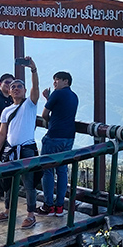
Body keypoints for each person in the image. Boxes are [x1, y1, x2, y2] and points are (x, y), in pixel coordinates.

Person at [0, 57, 40, 229]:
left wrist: (33, 70)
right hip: (10, 150)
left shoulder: (30, 104)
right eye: (13, 87)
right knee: (8, 183)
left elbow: (36, 88)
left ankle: (31, 215)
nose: (16, 89)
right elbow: (2, 133)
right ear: (9, 92)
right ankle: (8, 210)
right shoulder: (6, 110)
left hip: (27, 149)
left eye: (19, 86)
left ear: (25, 90)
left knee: (29, 183)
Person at [36, 71, 79, 217]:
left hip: (54, 136)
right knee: (62, 171)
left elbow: (44, 115)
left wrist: (49, 100)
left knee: (47, 170)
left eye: (58, 80)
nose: (55, 83)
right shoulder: (74, 96)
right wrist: (49, 98)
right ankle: (60, 207)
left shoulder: (57, 94)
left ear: (66, 81)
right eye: (54, 80)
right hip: (69, 137)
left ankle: (48, 205)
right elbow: (62, 110)